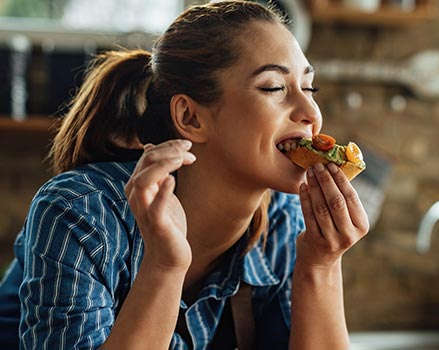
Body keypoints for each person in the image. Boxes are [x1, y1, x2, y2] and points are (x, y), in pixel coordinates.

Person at [0, 1, 369, 349]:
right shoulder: (81, 213)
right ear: (191, 117)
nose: (310, 112)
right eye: (273, 87)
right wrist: (165, 264)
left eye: (309, 87)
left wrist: (321, 266)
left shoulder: (284, 221)